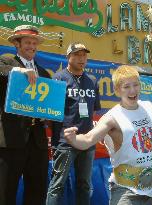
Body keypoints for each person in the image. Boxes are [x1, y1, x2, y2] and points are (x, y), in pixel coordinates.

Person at [64, 65, 152, 205]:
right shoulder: (112, 117)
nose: (132, 90)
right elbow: (88, 139)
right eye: (126, 87)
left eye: (135, 85)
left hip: (151, 190)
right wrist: (74, 139)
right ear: (117, 90)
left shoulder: (149, 107)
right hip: (126, 191)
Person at [0, 25, 50, 205]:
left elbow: (49, 106)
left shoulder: (44, 73)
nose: (32, 46)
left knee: (37, 192)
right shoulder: (6, 61)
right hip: (11, 139)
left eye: (34, 43)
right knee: (5, 192)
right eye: (27, 42)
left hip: (38, 142)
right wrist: (20, 71)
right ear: (16, 44)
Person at [46, 42, 101, 205]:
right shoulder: (58, 78)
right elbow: (50, 112)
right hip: (64, 142)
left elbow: (94, 111)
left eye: (84, 55)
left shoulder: (92, 80)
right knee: (57, 185)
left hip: (87, 142)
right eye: (77, 54)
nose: (81, 58)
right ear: (68, 57)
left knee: (84, 185)